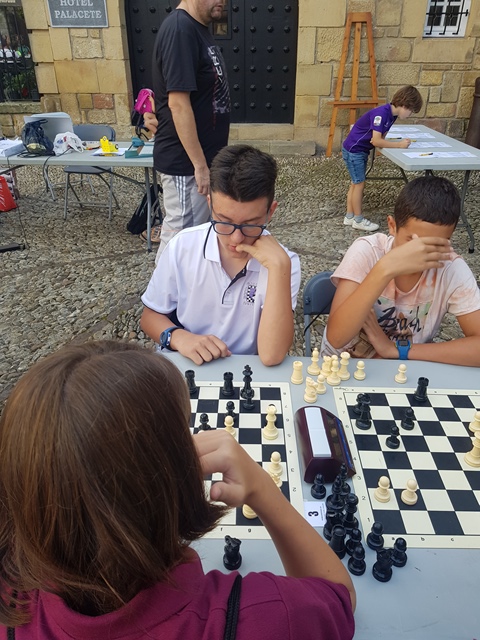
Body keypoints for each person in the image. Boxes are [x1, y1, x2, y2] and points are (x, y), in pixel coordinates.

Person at [0, 341, 356, 640]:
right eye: (183, 435)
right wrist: (262, 488)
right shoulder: (267, 617)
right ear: (169, 479)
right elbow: (339, 599)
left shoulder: (12, 596)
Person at [140, 145, 301, 367]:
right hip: (188, 363)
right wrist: (179, 337)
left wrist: (280, 268)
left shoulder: (283, 262)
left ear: (270, 212)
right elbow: (150, 316)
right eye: (224, 221)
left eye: (251, 224)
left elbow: (272, 355)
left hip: (247, 369)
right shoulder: (183, 245)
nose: (236, 238)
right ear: (209, 204)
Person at [321, 176, 480, 366]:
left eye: (435, 245)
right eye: (412, 241)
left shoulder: (450, 267)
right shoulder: (368, 251)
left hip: (404, 368)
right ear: (392, 226)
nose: (420, 252)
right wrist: (385, 269)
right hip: (341, 367)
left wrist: (396, 349)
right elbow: (336, 338)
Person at [143, 0, 230, 252]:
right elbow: (178, 104)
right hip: (186, 165)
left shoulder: (197, 28)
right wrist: (200, 165)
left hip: (200, 161)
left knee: (195, 241)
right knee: (181, 243)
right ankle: (163, 281)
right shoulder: (181, 29)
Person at [342, 85, 423, 232]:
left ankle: (349, 216)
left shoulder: (391, 115)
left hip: (357, 150)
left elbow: (381, 136)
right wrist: (398, 145)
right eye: (411, 111)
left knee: (355, 183)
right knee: (359, 184)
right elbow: (376, 141)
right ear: (405, 105)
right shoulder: (381, 114)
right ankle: (358, 220)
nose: (410, 114)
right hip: (355, 151)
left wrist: (387, 142)